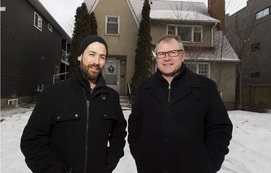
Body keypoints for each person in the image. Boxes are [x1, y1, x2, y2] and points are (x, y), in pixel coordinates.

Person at [21, 35, 127, 173]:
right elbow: (32, 142)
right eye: (92, 54)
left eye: (102, 57)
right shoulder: (54, 94)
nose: (97, 61)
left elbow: (119, 133)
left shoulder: (111, 97)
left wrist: (109, 163)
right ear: (79, 56)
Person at [128, 35, 233, 173]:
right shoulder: (145, 88)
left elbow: (220, 128)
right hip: (151, 168)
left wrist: (209, 163)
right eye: (161, 54)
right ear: (156, 57)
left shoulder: (205, 88)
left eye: (173, 53)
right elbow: (135, 123)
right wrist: (139, 153)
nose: (167, 58)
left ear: (183, 56)